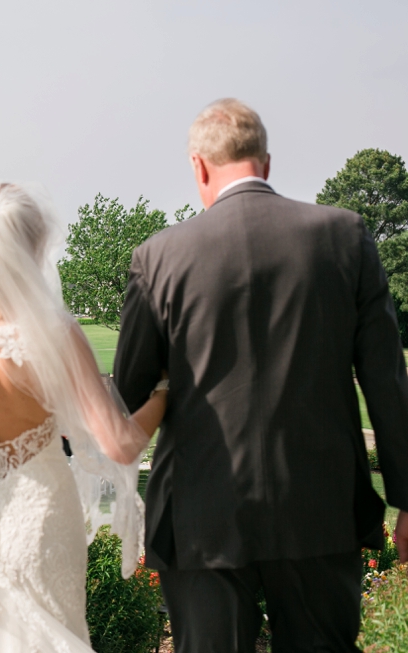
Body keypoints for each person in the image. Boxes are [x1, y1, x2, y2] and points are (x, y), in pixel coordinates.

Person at [115, 98, 408, 653]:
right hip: (321, 508)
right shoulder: (346, 236)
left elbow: (128, 390)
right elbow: (387, 380)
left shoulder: (159, 257)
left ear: (199, 166)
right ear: (266, 164)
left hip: (202, 513)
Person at [0, 182, 164, 651]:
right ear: (34, 246)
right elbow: (120, 445)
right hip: (41, 522)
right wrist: (165, 392)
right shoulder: (55, 332)